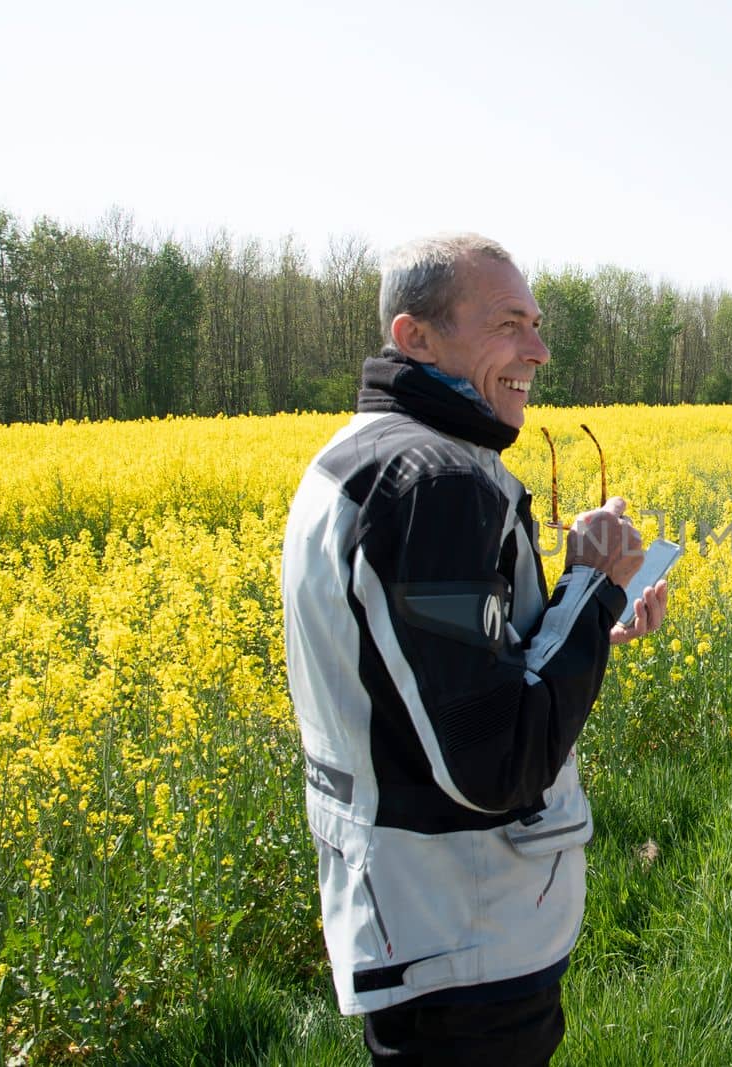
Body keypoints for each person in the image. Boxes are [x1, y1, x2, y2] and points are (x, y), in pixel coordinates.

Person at [281, 233, 667, 1065]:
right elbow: (498, 758)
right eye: (506, 324)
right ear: (413, 336)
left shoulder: (356, 458)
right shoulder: (440, 484)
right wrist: (595, 580)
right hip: (468, 934)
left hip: (411, 922)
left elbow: (429, 675)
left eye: (535, 322)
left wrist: (585, 618)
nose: (538, 348)